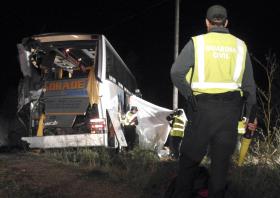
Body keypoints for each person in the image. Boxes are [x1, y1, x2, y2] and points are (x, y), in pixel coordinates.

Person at [170, 5, 257, 198]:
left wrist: (190, 97)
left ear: (207, 23)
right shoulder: (240, 46)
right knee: (220, 167)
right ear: (226, 23)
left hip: (202, 111)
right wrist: (252, 115)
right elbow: (250, 88)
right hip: (230, 114)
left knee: (189, 163)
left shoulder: (197, 43)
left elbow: (176, 73)